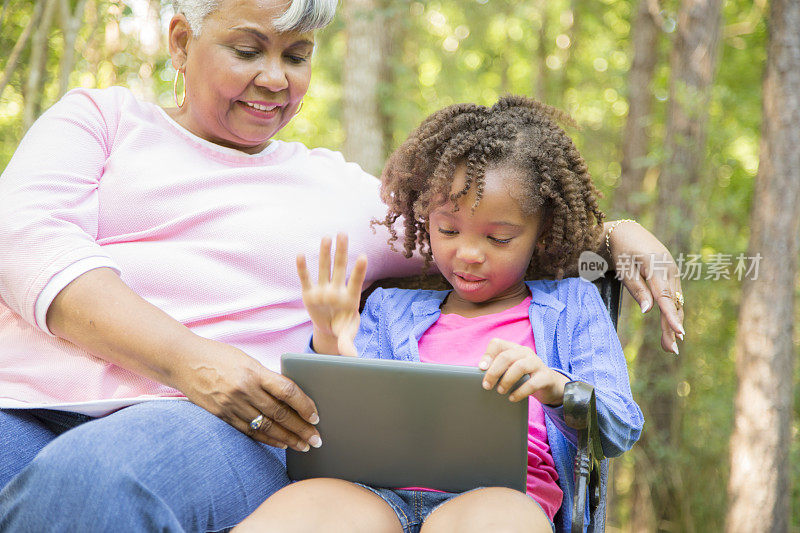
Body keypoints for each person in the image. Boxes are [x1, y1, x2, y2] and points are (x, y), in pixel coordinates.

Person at [0, 0, 681, 530]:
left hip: (212, 428)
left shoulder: (341, 194)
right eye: (248, 49)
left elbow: (481, 226)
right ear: (181, 40)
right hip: (23, 400)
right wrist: (193, 360)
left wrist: (613, 231)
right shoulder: (101, 121)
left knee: (95, 478)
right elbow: (25, 240)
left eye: (297, 55)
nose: (275, 77)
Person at [237, 96, 644, 533]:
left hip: (505, 495)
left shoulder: (572, 305)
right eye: (448, 230)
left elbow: (620, 425)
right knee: (296, 514)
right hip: (377, 491)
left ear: (539, 234)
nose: (468, 254)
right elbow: (338, 427)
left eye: (499, 239)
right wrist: (331, 345)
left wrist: (555, 387)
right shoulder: (391, 310)